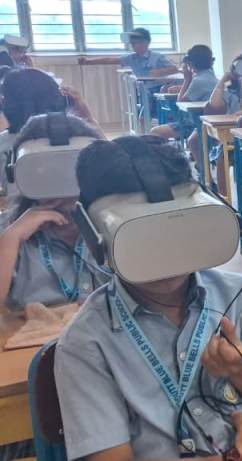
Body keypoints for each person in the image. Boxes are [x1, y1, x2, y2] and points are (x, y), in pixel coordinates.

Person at [55, 135, 242, 461]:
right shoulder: (86, 343)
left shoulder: (241, 297)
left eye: (175, 231)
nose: (165, 255)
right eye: (142, 239)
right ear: (94, 236)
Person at [0, 113, 107, 461]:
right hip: (32, 380)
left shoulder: (111, 227)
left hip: (103, 374)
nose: (62, 198)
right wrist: (12, 240)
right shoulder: (8, 232)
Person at [1, 69, 99, 195]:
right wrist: (87, 116)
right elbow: (109, 157)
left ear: (8, 105)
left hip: (22, 206)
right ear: (58, 100)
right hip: (79, 205)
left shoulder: (3, 144)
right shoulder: (84, 138)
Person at [150, 45, 218, 157]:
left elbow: (180, 103)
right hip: (204, 121)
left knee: (155, 131)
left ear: (190, 64)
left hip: (194, 123)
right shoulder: (211, 77)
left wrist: (187, 80)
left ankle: (168, 161)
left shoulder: (198, 80)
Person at [78, 28, 177, 79]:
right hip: (142, 90)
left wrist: (160, 72)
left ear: (146, 42)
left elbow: (175, 69)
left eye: (136, 42)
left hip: (158, 88)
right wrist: (88, 61)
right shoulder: (131, 58)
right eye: (132, 43)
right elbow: (110, 60)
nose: (133, 45)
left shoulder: (157, 57)